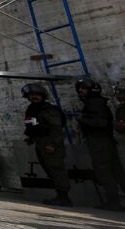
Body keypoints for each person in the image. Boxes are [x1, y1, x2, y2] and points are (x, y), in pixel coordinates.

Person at [75, 79, 125, 210]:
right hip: (104, 140)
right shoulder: (96, 102)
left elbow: (101, 122)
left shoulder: (94, 103)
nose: (81, 91)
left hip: (99, 141)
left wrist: (82, 119)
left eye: (84, 89)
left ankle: (113, 201)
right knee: (116, 171)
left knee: (104, 171)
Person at [22, 82, 72, 206]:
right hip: (41, 143)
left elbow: (56, 129)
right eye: (31, 95)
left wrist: (53, 145)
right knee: (50, 170)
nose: (34, 97)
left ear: (42, 95)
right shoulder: (33, 109)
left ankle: (64, 198)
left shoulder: (48, 110)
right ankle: (60, 196)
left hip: (50, 143)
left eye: (36, 95)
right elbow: (35, 126)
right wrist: (31, 138)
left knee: (56, 170)